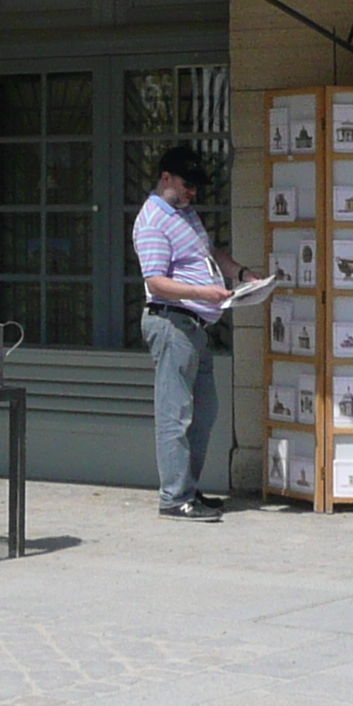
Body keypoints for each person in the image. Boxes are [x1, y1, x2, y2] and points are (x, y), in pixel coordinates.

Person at [135, 143, 243, 520]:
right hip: (171, 321)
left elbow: (209, 254)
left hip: (195, 325)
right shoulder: (153, 220)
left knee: (205, 411)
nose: (191, 192)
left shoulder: (185, 214)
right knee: (175, 414)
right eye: (186, 184)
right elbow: (157, 282)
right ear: (166, 178)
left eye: (195, 187)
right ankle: (174, 497)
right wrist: (204, 293)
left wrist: (242, 275)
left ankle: (188, 488)